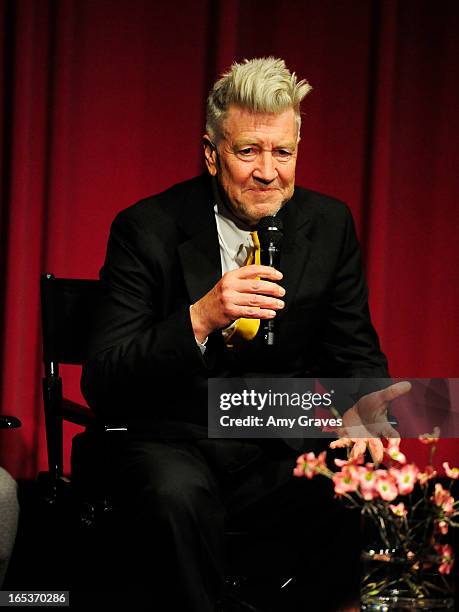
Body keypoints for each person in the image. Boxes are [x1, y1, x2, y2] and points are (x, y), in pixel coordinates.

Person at [81, 57, 408, 611]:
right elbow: (104, 377)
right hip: (172, 442)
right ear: (212, 153)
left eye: (282, 153)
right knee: (174, 497)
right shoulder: (146, 228)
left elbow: (353, 350)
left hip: (276, 447)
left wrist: (367, 408)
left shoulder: (328, 224)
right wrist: (200, 317)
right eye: (247, 151)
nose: (267, 172)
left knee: (381, 495)